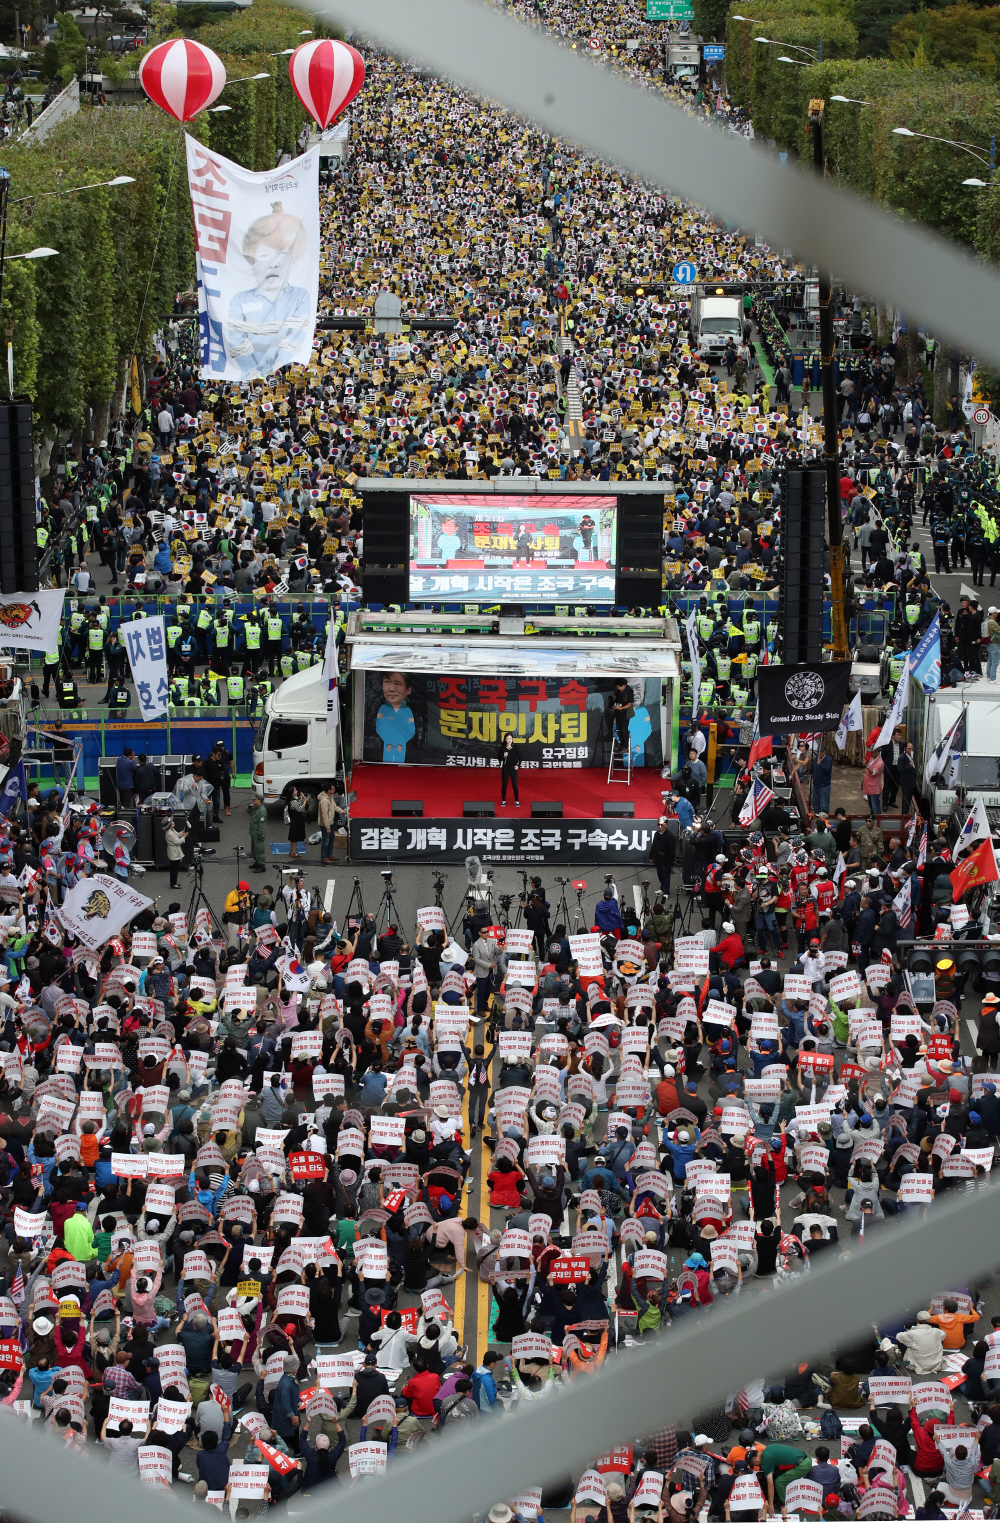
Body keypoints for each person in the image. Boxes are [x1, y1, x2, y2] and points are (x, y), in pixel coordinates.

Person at [499, 734, 521, 808]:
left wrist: (518, 765)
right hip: (505, 768)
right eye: (508, 739)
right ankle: (504, 800)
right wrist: (503, 756)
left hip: (513, 768)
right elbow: (498, 758)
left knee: (515, 785)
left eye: (510, 738)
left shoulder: (516, 748)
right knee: (504, 784)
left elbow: (521, 757)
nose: (509, 740)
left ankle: (516, 800)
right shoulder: (502, 748)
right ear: (505, 739)